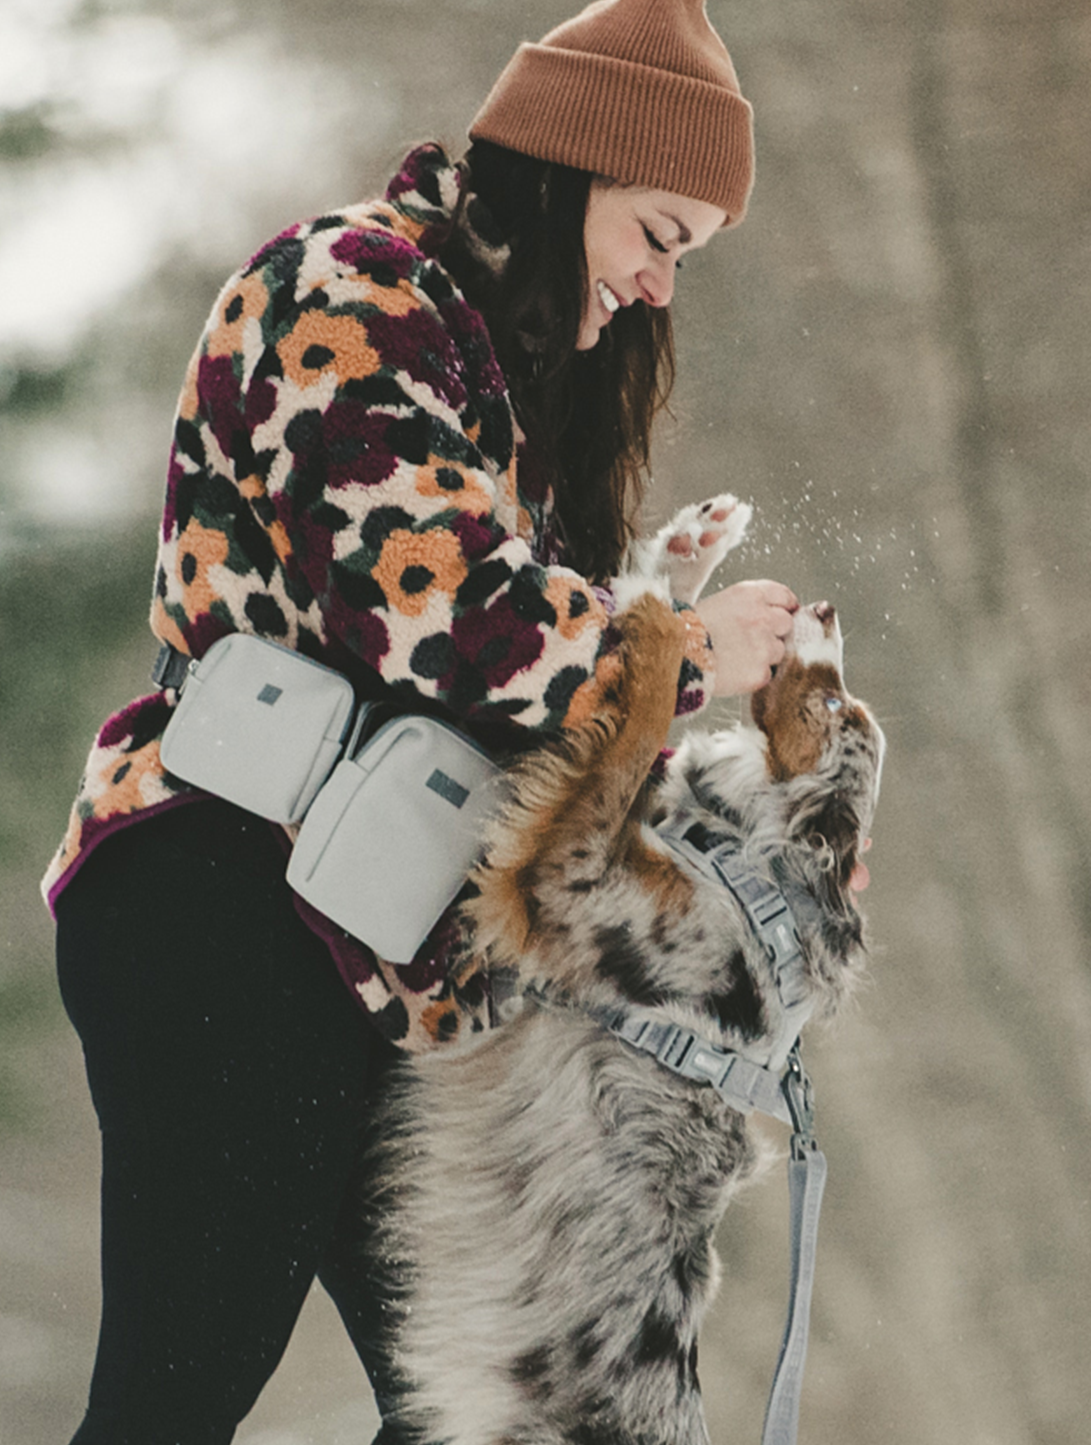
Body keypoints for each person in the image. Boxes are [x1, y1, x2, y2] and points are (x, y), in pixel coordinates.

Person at [41, 1, 798, 1439]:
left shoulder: (497, 396)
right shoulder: (351, 291)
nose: (655, 286)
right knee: (177, 1395)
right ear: (570, 168)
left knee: (504, 1413)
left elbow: (538, 741)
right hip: (227, 902)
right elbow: (443, 611)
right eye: (658, 232)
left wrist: (748, 859)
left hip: (386, 972)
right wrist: (685, 653)